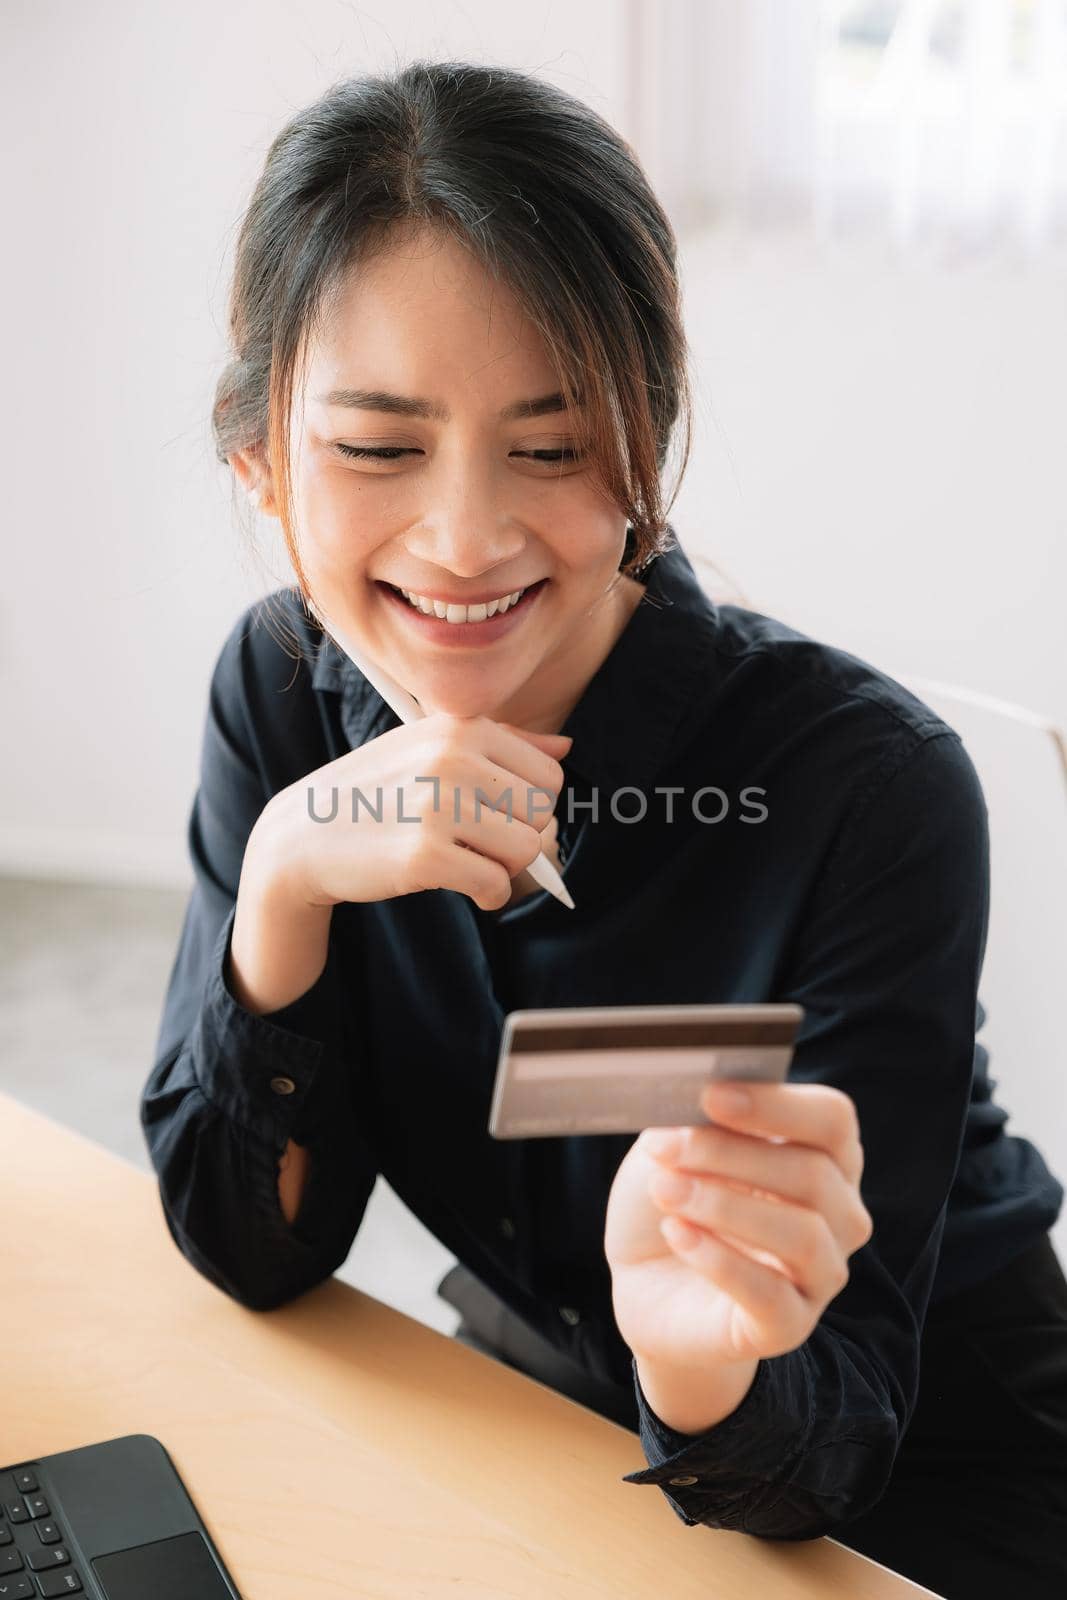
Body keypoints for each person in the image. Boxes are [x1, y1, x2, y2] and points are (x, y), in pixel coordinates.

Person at [140, 60, 1067, 1595]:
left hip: (909, 1473)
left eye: (554, 447)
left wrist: (697, 1354)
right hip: (545, 1414)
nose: (465, 540)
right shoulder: (282, 693)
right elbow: (251, 1253)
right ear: (260, 463)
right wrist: (285, 887)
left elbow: (832, 1440)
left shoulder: (869, 784)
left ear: (643, 450)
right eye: (377, 448)